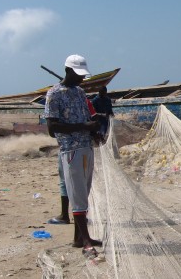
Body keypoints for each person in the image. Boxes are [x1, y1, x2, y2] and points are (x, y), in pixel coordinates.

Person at [43, 54, 103, 257]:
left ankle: (79, 238)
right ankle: (86, 241)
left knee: (83, 194)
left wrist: (94, 131)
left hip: (86, 147)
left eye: (82, 75)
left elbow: (87, 116)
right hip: (71, 150)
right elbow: (52, 128)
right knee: (77, 195)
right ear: (67, 70)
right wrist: (82, 127)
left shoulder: (79, 92)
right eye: (78, 75)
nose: (81, 79)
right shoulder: (54, 95)